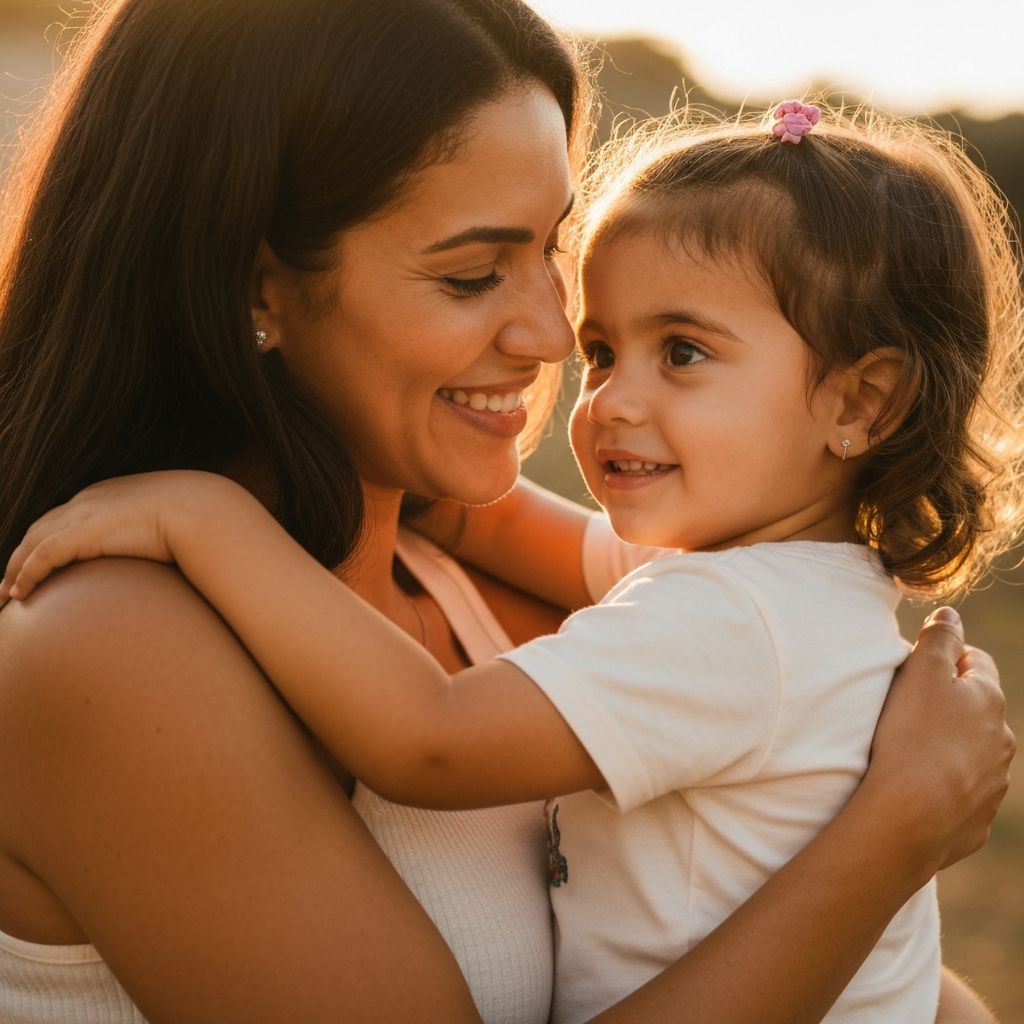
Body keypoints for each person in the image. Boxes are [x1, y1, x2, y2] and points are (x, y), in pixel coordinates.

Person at [5, 96, 1018, 1024]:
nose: (593, 387)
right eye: (604, 348)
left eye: (683, 352)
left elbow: (429, 740)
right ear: (260, 281)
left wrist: (206, 517)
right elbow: (487, 522)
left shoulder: (725, 621)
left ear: (857, 404)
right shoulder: (786, 584)